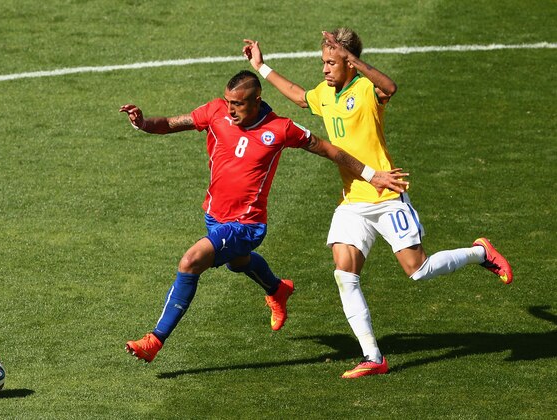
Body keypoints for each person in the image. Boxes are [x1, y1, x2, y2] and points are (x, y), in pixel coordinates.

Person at [243, 29, 513, 378]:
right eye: (323, 62)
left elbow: (391, 88)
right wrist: (262, 67)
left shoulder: (366, 89)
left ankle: (481, 252)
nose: (325, 70)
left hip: (386, 195)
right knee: (344, 273)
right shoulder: (326, 93)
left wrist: (354, 60)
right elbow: (298, 97)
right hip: (353, 201)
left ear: (349, 63)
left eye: (332, 63)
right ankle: (373, 357)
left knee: (418, 269)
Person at [119, 70, 409, 362]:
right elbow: (172, 123)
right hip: (215, 216)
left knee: (190, 261)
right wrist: (143, 124)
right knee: (237, 263)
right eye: (229, 101)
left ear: (257, 100)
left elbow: (329, 150)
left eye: (239, 104)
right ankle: (277, 288)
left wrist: (372, 175)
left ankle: (155, 339)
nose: (231, 109)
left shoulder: (280, 128)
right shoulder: (216, 111)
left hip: (246, 224)